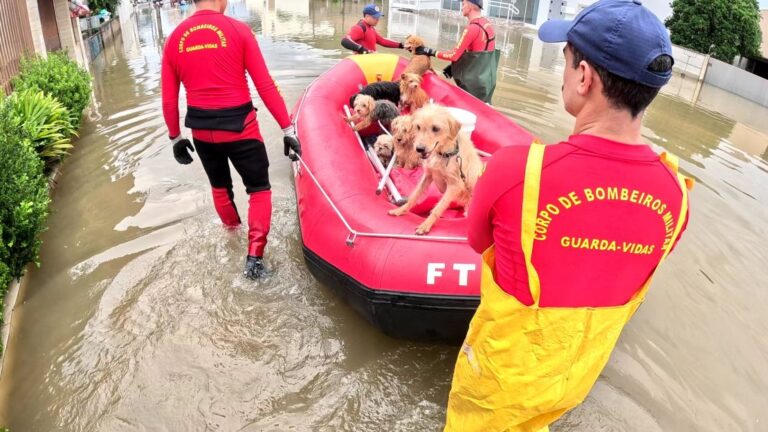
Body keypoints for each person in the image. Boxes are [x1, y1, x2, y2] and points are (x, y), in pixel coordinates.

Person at [444, 1, 693, 431]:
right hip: (571, 381)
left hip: (498, 387)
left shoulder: (516, 170)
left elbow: (477, 240)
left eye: (565, 59)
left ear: (584, 75)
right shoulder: (678, 194)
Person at [161, 0, 301, 280]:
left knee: (220, 187)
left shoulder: (175, 38)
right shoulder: (238, 30)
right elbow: (265, 85)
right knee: (259, 189)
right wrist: (287, 129)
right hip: (241, 129)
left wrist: (175, 136)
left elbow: (168, 98)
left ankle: (232, 237)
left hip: (201, 132)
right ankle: (254, 259)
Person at [416, 0, 499, 103]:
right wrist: (453, 67)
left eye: (463, 4)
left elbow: (453, 55)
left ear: (469, 6)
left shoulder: (472, 28)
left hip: (474, 84)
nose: (462, 7)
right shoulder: (487, 24)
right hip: (486, 81)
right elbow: (481, 51)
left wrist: (428, 51)